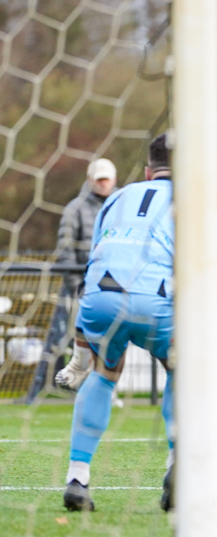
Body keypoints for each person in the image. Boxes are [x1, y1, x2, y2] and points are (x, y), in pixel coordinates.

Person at [63, 134, 217, 513]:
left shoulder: (115, 197)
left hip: (100, 300)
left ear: (148, 171)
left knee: (104, 372)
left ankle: (77, 477)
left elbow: (94, 265)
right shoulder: (201, 211)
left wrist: (80, 345)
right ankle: (175, 469)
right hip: (157, 303)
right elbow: (214, 296)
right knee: (182, 368)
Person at [23, 159, 118, 405]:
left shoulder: (121, 206)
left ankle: (106, 391)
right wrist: (79, 285)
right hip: (80, 287)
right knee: (64, 338)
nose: (103, 184)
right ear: (90, 180)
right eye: (99, 179)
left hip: (111, 287)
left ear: (114, 180)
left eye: (107, 179)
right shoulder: (75, 208)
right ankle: (43, 392)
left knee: (110, 339)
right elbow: (65, 249)